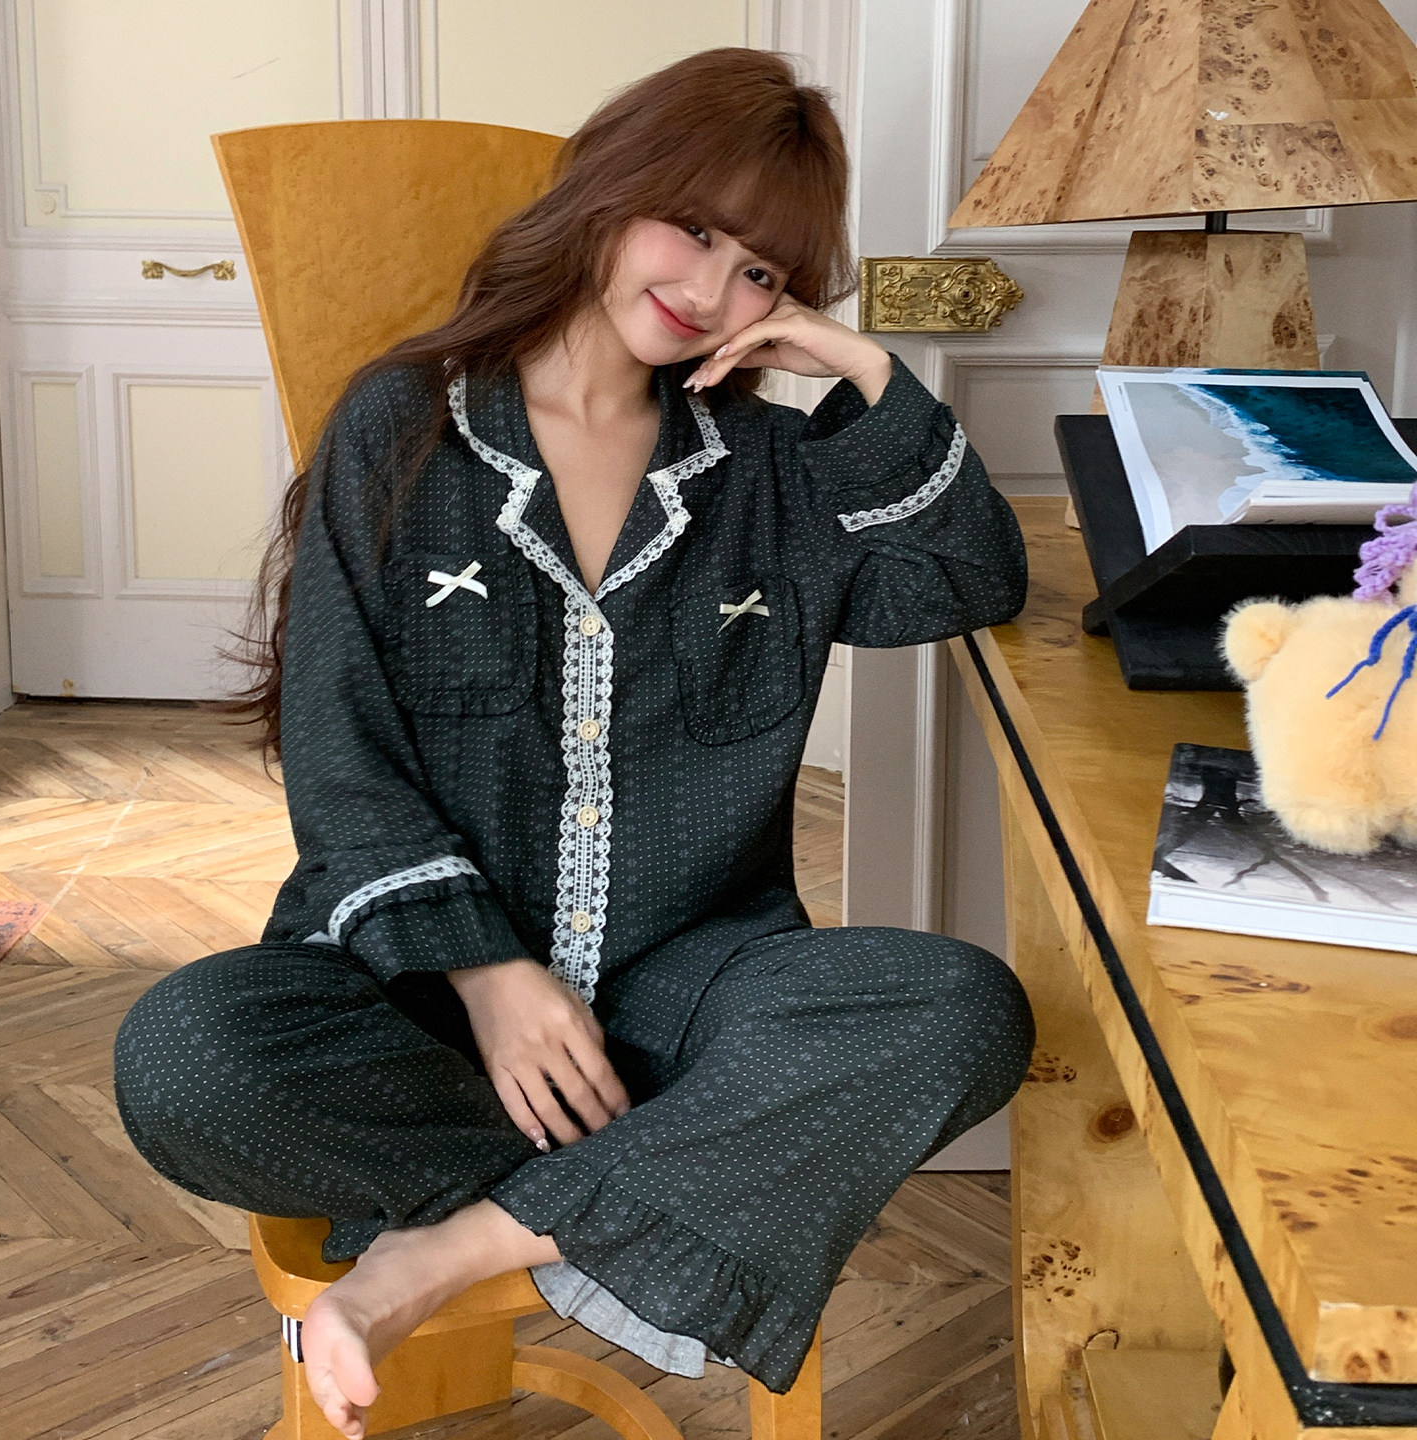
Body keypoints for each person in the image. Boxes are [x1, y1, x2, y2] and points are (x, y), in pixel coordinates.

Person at [112, 46, 1034, 1440]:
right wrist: (490, 978)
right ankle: (673, 1193)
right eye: (696, 229)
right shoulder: (402, 426)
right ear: (611, 189)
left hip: (693, 994)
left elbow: (967, 580)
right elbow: (341, 750)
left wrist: (865, 370)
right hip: (429, 1010)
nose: (712, 288)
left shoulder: (770, 474)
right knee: (186, 1056)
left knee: (963, 1008)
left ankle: (446, 1249)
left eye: (763, 273)